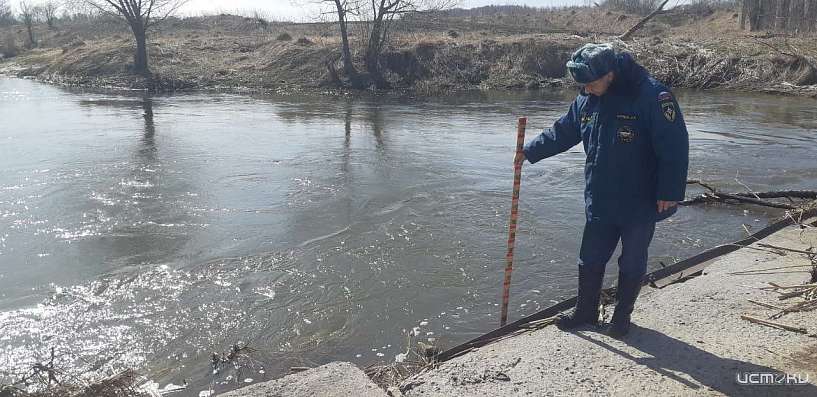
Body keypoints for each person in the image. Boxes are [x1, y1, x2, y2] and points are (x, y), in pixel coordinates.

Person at [514, 43, 689, 338]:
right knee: (590, 256)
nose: (586, 90)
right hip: (600, 196)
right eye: (582, 86)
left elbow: (674, 146)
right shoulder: (587, 98)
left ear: (610, 74)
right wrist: (529, 151)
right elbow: (564, 130)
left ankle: (621, 319)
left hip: (640, 199)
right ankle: (586, 312)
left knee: (632, 259)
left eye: (591, 84)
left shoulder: (651, 96)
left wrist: (669, 192)